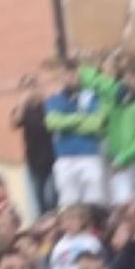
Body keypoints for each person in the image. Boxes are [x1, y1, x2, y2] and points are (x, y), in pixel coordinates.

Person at [86, 55, 135, 206]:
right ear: (125, 76)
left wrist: (123, 159)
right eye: (131, 76)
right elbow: (88, 78)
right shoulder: (114, 92)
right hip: (119, 164)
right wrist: (94, 65)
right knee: (122, 205)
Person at [44, 58, 107, 207]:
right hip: (65, 158)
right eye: (65, 75)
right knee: (68, 204)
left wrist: (65, 122)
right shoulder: (54, 98)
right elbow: (52, 123)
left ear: (78, 75)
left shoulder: (91, 97)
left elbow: (96, 124)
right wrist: (80, 118)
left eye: (72, 74)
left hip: (89, 155)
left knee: (93, 202)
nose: (69, 78)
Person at [11, 71, 58, 216]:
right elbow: (15, 123)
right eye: (25, 86)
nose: (29, 89)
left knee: (52, 197)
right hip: (33, 160)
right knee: (39, 200)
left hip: (52, 158)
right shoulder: (21, 109)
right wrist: (22, 102)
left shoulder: (48, 105)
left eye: (32, 84)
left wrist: (41, 96)